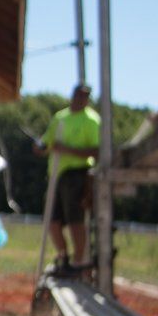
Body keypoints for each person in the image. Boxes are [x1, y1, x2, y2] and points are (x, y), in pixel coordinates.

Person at [35, 84, 100, 269]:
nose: (80, 99)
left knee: (75, 220)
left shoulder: (91, 120)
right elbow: (47, 142)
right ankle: (63, 256)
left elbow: (96, 151)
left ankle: (79, 261)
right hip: (56, 175)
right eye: (78, 95)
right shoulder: (60, 117)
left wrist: (67, 150)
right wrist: (41, 147)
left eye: (85, 96)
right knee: (52, 219)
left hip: (78, 175)